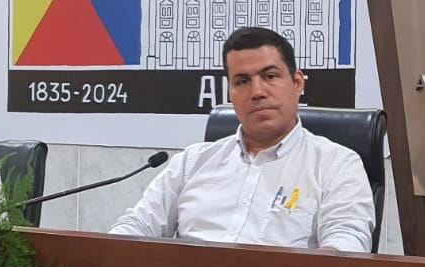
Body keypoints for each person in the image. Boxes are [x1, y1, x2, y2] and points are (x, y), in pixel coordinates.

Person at [110, 27, 374, 251]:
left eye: (270, 76)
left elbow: (346, 243)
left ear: (297, 83)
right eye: (242, 81)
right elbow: (137, 224)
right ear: (231, 93)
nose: (257, 91)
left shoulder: (335, 164)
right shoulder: (192, 162)